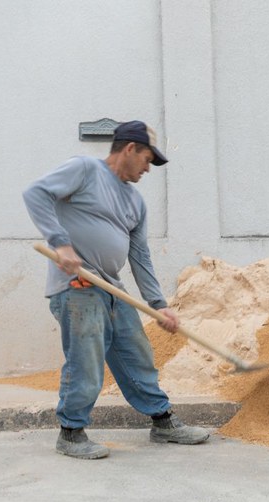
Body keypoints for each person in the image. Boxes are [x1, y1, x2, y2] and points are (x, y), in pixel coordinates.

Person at [23, 120, 210, 459]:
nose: (148, 169)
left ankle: (163, 422)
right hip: (78, 286)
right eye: (147, 160)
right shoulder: (85, 170)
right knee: (87, 361)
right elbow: (35, 193)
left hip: (111, 288)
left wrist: (158, 303)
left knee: (136, 354)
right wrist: (61, 245)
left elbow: (140, 255)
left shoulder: (136, 202)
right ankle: (71, 433)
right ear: (129, 149)